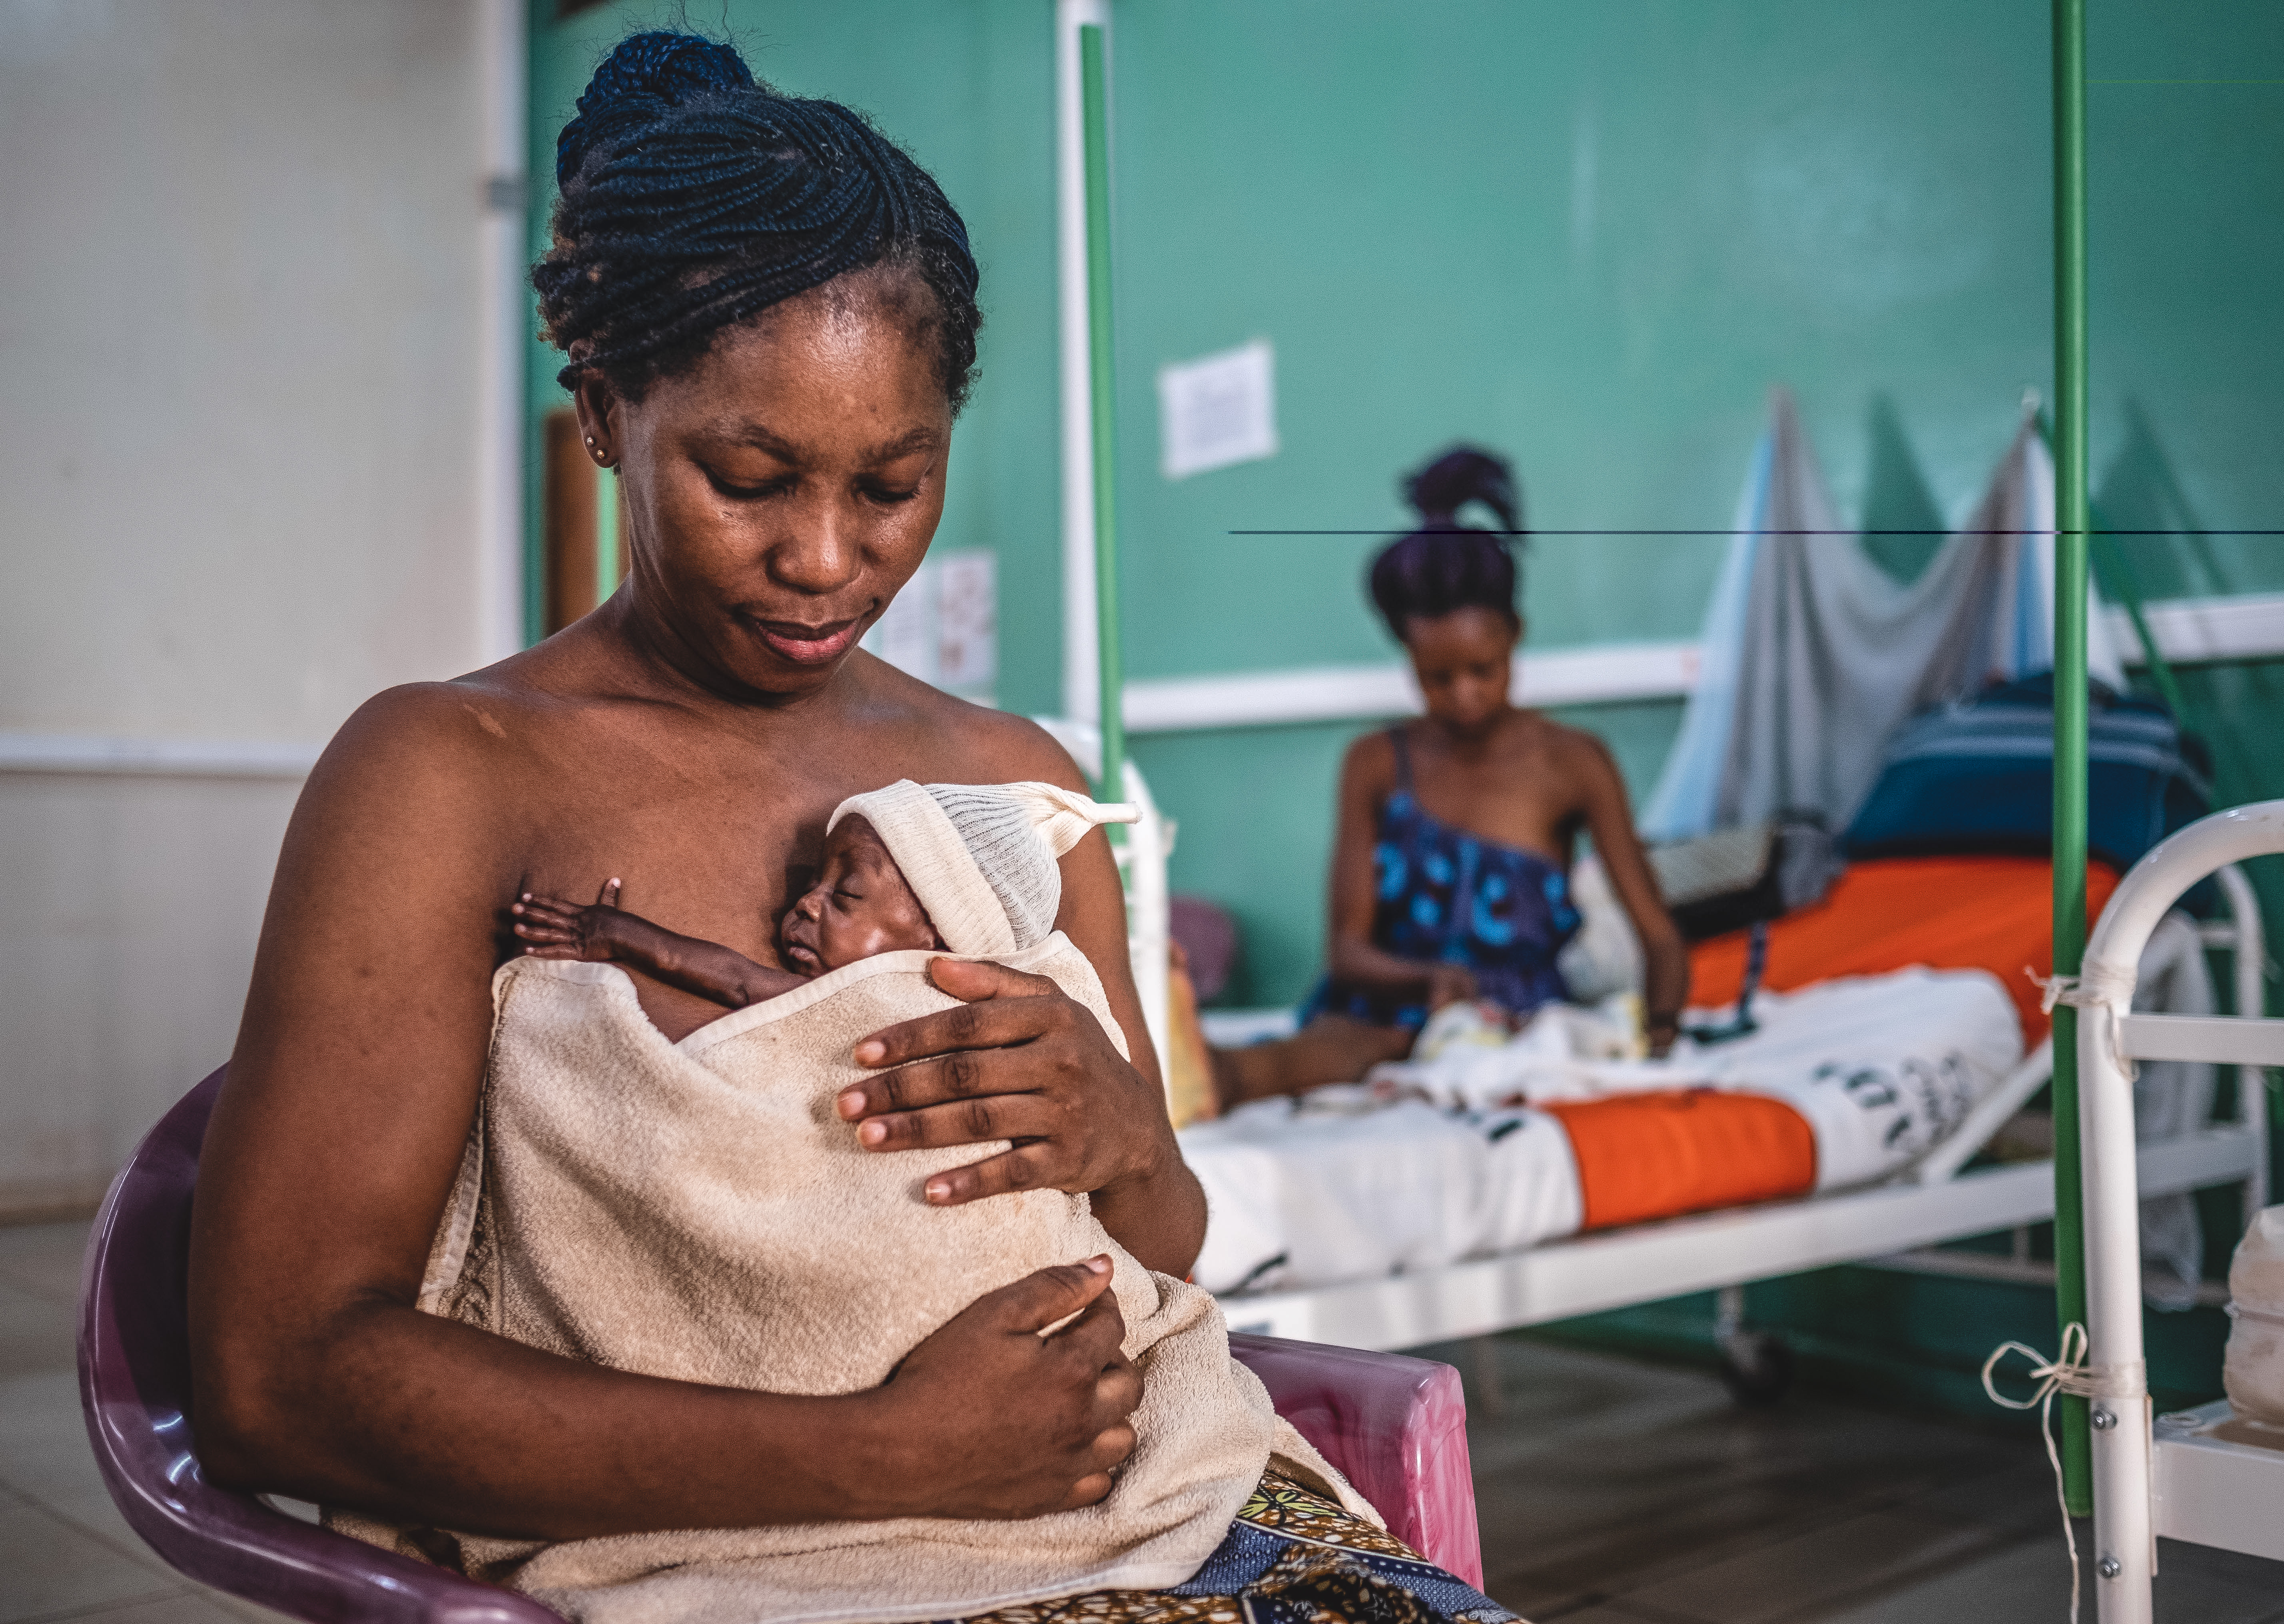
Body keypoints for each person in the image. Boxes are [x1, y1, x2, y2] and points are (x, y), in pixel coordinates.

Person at [189, 32, 1511, 1623]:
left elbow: (1162, 1245)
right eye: (749, 478)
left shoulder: (1003, 794)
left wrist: (1128, 1133)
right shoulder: (450, 775)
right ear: (606, 414)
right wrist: (878, 1453)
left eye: (894, 484)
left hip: (1178, 1512)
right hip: (765, 1568)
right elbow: (278, 1374)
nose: (825, 557)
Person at [1215, 448, 1688, 1105]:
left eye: (1482, 670)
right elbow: (1347, 950)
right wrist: (1430, 978)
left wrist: (1661, 1035)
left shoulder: (1575, 763)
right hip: (1385, 1008)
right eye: (1437, 678)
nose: (1463, 694)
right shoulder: (1377, 763)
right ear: (1406, 657)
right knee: (1321, 1056)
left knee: (1518, 1057)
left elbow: (1658, 936)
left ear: (1515, 636)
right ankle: (1191, 1074)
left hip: (1515, 1019)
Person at [507, 780, 1138, 1014]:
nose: (805, 904)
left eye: (846, 894)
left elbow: (740, 983)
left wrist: (620, 935)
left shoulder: (906, 998)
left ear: (940, 942)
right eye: (813, 884)